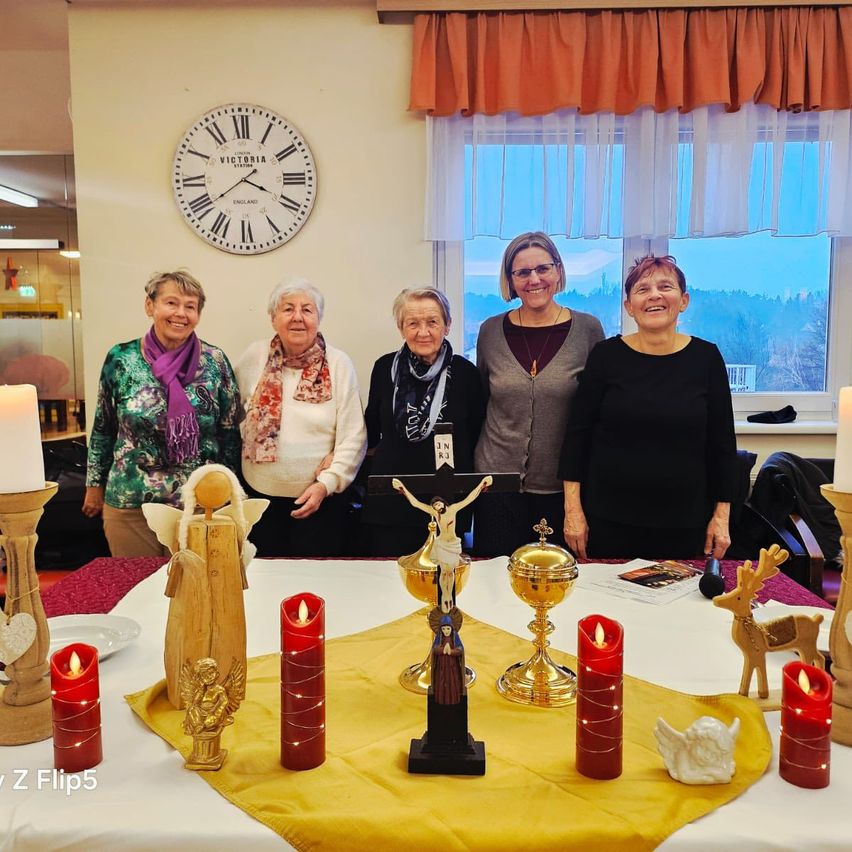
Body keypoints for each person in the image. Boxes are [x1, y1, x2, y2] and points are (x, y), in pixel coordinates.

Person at [559, 255, 737, 560]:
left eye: (665, 286)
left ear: (683, 301)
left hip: (685, 521)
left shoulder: (706, 358)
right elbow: (577, 437)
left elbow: (722, 445)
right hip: (608, 519)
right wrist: (572, 509)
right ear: (629, 306)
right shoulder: (606, 356)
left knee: (678, 605)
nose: (654, 295)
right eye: (642, 289)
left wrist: (722, 516)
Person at [83, 270, 241, 557]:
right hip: (131, 502)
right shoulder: (121, 358)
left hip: (200, 505)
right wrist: (94, 485)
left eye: (190, 306)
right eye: (171, 303)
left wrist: (231, 494)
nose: (180, 313)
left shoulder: (215, 361)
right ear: (150, 306)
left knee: (194, 594)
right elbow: (103, 426)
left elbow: (229, 432)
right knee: (133, 590)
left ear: (198, 314)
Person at [473, 232, 605, 556]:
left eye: (543, 269)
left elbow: (595, 414)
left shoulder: (588, 330)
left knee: (555, 588)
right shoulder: (490, 331)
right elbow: (480, 402)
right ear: (510, 280)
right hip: (495, 486)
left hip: (560, 488)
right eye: (522, 272)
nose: (534, 279)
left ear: (558, 271)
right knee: (495, 585)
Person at [235, 278, 366, 556]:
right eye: (287, 309)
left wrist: (327, 483)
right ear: (273, 318)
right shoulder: (254, 356)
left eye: (307, 310)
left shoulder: (339, 363)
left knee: (315, 582)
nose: (297, 317)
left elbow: (353, 436)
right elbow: (232, 416)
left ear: (318, 318)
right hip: (258, 499)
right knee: (264, 581)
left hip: (321, 502)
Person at [362, 287, 486, 555]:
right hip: (391, 500)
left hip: (447, 502)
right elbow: (371, 427)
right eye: (413, 323)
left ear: (447, 325)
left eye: (432, 322)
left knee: (444, 584)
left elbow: (476, 434)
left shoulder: (467, 374)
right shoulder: (384, 368)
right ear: (400, 327)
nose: (423, 332)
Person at [391, 475, 492, 611]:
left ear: (443, 503)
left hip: (453, 545)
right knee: (444, 572)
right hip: (442, 545)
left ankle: (449, 595)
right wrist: (402, 488)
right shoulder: (435, 513)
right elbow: (415, 503)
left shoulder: (453, 509)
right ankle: (445, 596)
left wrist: (482, 484)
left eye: (439, 504)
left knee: (450, 572)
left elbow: (470, 498)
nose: (437, 507)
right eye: (435, 506)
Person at [432, 615, 465, 706]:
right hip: (441, 665)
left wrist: (451, 651)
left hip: (452, 666)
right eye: (443, 629)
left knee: (452, 681)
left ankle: (453, 699)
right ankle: (441, 699)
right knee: (441, 680)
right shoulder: (439, 638)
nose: (446, 631)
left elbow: (460, 650)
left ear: (451, 628)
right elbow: (434, 649)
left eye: (448, 628)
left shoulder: (455, 637)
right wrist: (442, 650)